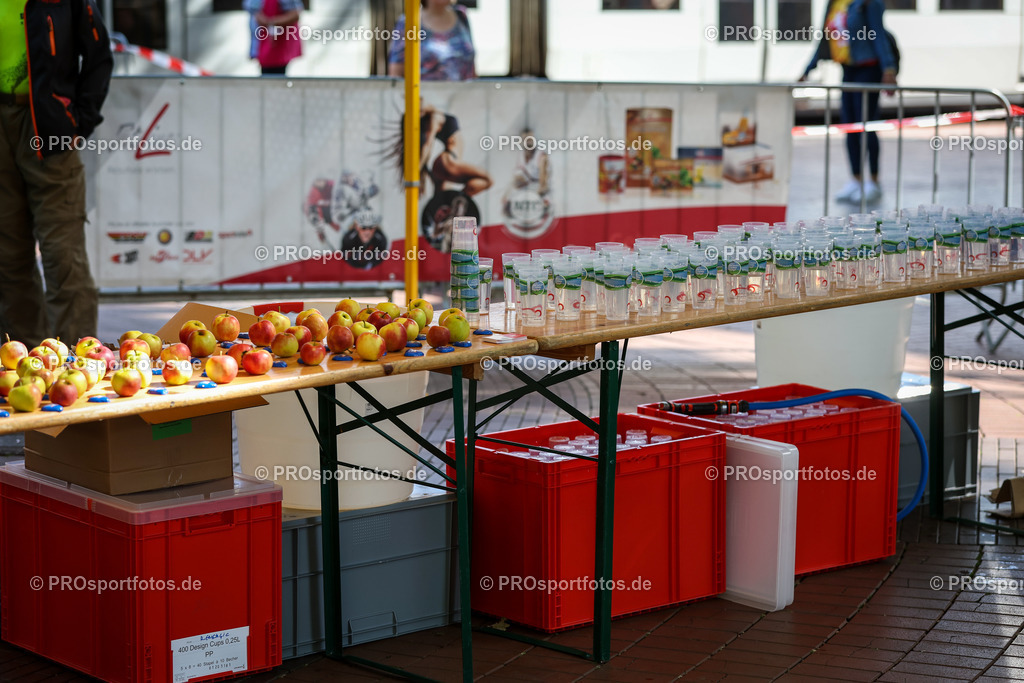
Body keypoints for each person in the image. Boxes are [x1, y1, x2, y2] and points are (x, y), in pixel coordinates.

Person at [0, 0, 112, 349]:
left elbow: (99, 56)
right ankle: (25, 364)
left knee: (63, 257)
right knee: (8, 257)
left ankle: (77, 364)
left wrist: (79, 121)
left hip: (50, 131)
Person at [801, 0, 897, 204]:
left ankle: (874, 180)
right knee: (850, 126)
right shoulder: (836, 3)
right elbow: (824, 40)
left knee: (867, 125)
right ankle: (856, 178)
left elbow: (878, 34)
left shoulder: (868, 3)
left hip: (868, 69)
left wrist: (888, 69)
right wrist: (807, 70)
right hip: (848, 69)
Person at [388, 0, 476, 81]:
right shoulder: (408, 22)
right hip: (424, 95)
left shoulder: (461, 16)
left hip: (463, 94)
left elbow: (472, 67)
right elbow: (395, 74)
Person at [244, 0, 303, 75]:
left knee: (274, 76)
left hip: (276, 46)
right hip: (262, 44)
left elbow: (295, 13)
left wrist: (270, 22)